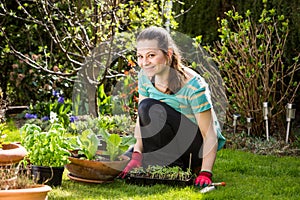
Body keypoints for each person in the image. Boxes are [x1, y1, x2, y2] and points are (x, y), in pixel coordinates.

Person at [119, 26, 226, 187]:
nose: (144, 62)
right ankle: (159, 163)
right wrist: (137, 154)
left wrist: (206, 172)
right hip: (165, 138)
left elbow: (209, 134)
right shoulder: (145, 76)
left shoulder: (193, 85)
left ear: (168, 54)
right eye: (140, 56)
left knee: (149, 107)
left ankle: (175, 167)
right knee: (120, 162)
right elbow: (142, 119)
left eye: (151, 55)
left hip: (193, 148)